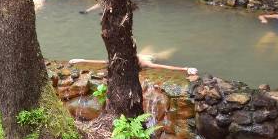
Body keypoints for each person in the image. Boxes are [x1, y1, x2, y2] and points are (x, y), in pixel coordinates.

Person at [68, 54, 198, 76]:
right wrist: (80, 60)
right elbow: (101, 62)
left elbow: (164, 67)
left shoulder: (145, 63)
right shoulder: (122, 59)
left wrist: (186, 69)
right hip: (142, 54)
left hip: (149, 57)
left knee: (164, 54)